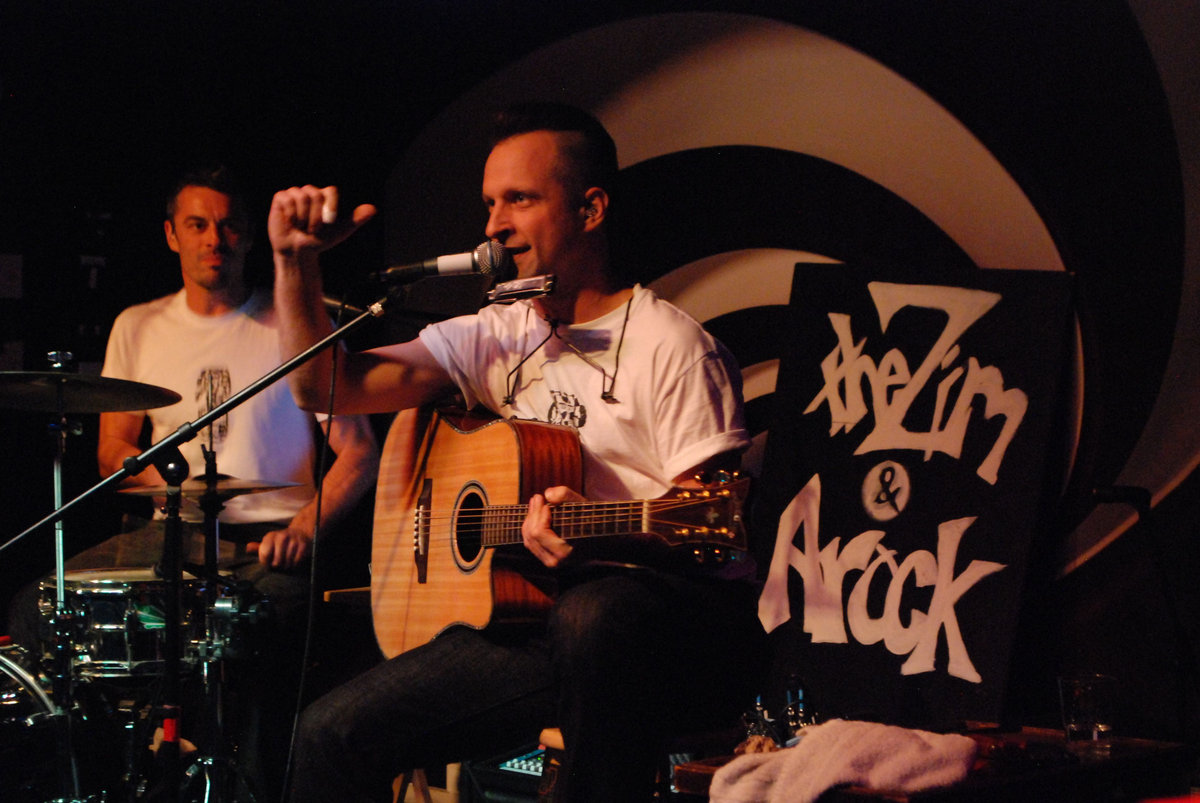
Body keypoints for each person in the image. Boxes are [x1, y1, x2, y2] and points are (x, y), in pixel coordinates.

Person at [271, 103, 767, 802]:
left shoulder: (673, 347)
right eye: (489, 204)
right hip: (532, 619)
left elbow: (716, 535)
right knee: (328, 735)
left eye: (520, 200)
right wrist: (295, 264)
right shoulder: (495, 335)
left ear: (590, 209)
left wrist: (602, 535)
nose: (494, 226)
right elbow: (325, 386)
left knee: (594, 614)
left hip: (671, 629)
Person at [15, 165, 380, 802]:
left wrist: (305, 528)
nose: (215, 238)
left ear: (249, 235)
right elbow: (113, 450)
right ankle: (106, 777)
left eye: (229, 225)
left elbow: (359, 452)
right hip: (170, 535)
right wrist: (173, 491)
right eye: (197, 224)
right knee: (38, 605)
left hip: (269, 541)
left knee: (250, 631)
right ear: (171, 235)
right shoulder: (138, 325)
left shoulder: (294, 320)